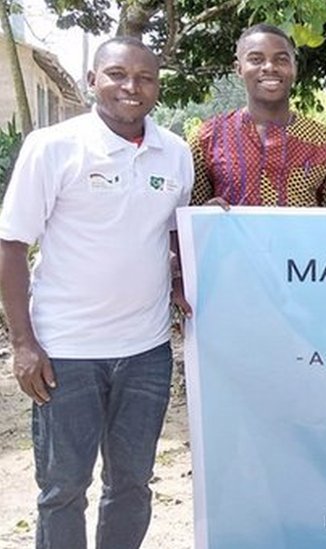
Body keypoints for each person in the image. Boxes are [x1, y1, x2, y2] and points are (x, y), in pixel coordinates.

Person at [0, 37, 193, 548]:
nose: (131, 87)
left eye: (145, 77)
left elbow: (175, 236)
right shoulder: (53, 147)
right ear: (92, 80)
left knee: (132, 485)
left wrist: (181, 282)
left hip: (146, 352)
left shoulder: (175, 153)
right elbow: (12, 245)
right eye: (116, 74)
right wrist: (23, 343)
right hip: (66, 353)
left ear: (157, 86)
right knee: (63, 489)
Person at [189, 23, 326, 208]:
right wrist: (206, 213)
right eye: (256, 59)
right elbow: (192, 215)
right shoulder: (206, 138)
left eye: (281, 60)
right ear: (239, 69)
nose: (269, 67)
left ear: (294, 69)